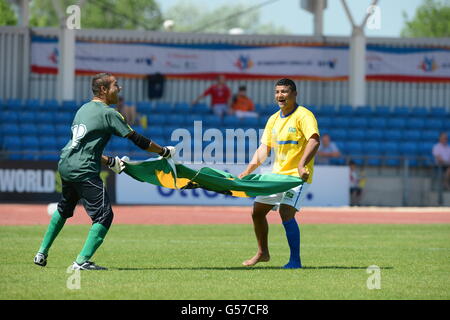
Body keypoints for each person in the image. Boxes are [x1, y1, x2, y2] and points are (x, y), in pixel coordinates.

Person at [33, 73, 175, 270]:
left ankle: (41, 252)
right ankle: (81, 262)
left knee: (64, 209)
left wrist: (109, 161)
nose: (120, 88)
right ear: (103, 90)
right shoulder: (109, 113)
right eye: (116, 85)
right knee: (104, 216)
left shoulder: (83, 109)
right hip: (84, 169)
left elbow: (81, 146)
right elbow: (138, 140)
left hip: (66, 164)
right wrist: (164, 151)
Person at [238, 78, 320, 269]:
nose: (280, 96)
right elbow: (264, 148)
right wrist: (248, 171)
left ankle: (295, 261)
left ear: (294, 94)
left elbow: (314, 140)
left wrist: (301, 165)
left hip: (296, 177)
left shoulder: (304, 116)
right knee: (257, 212)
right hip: (277, 176)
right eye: (277, 92)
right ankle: (263, 253)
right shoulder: (273, 119)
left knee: (285, 212)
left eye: (284, 91)